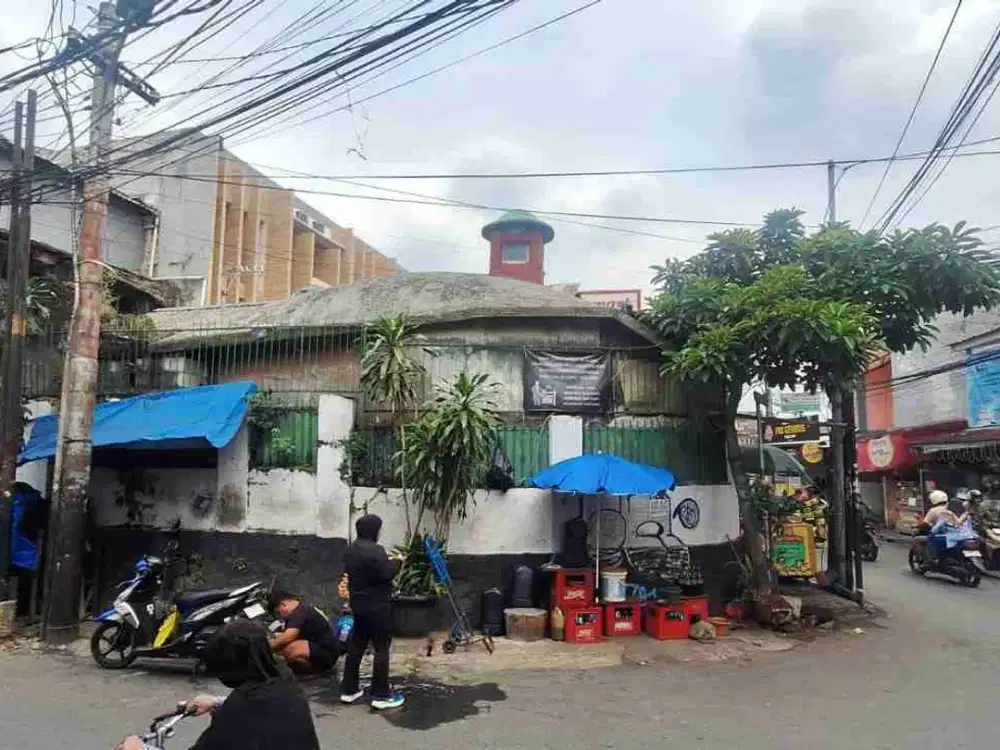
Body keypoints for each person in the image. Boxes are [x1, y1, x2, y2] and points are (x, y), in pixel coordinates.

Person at [116, 619, 320, 750]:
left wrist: (139, 749)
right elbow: (265, 713)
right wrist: (216, 702)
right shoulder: (283, 679)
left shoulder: (242, 709)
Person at [339, 513, 404, 710]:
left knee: (357, 645)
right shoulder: (376, 550)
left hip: (358, 605)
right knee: (381, 648)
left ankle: (349, 690)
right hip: (378, 607)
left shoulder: (350, 550)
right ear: (374, 530)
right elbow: (385, 574)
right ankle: (381, 694)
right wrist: (398, 562)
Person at [268, 591, 340, 675]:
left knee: (291, 649)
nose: (281, 616)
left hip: (327, 652)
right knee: (281, 645)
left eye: (279, 612)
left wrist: (267, 648)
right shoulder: (300, 609)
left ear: (283, 605)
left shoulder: (300, 612)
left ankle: (318, 672)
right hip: (316, 646)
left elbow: (288, 637)